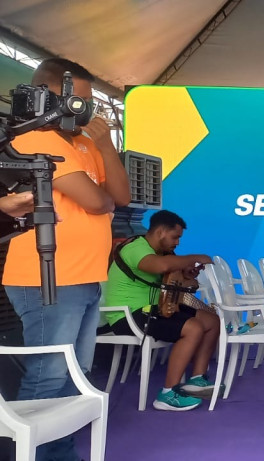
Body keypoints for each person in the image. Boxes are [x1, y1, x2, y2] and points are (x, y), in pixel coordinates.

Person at [4, 58, 129, 461]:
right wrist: (104, 199)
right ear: (50, 95)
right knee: (48, 376)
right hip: (48, 278)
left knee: (77, 376)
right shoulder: (35, 139)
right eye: (81, 100)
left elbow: (120, 197)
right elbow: (97, 202)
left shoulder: (85, 144)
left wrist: (106, 146)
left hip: (86, 277)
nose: (86, 110)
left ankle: (59, 453)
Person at [104, 210, 219, 410]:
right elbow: (160, 266)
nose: (177, 243)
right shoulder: (135, 247)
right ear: (160, 232)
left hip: (153, 309)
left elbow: (177, 277)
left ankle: (196, 380)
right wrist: (194, 257)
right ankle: (168, 394)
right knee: (193, 328)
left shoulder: (162, 252)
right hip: (127, 315)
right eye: (175, 237)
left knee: (211, 321)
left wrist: (188, 272)